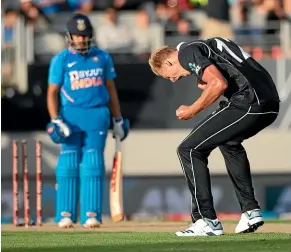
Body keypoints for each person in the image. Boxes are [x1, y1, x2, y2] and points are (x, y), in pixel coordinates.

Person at [148, 37, 280, 236]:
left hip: (249, 101)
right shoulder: (206, 45)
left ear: (168, 62)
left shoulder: (186, 52)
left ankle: (206, 220)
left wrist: (192, 110)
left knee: (189, 149)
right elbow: (231, 70)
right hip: (269, 102)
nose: (173, 80)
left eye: (168, 76)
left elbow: (218, 83)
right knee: (229, 142)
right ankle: (250, 211)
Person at [46, 13, 129, 228]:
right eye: (77, 36)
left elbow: (111, 90)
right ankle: (65, 214)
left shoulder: (102, 57)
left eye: (85, 36)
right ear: (69, 36)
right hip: (70, 116)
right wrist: (55, 119)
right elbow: (52, 93)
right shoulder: (61, 60)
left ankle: (91, 214)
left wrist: (117, 119)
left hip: (97, 115)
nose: (81, 40)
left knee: (93, 164)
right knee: (68, 164)